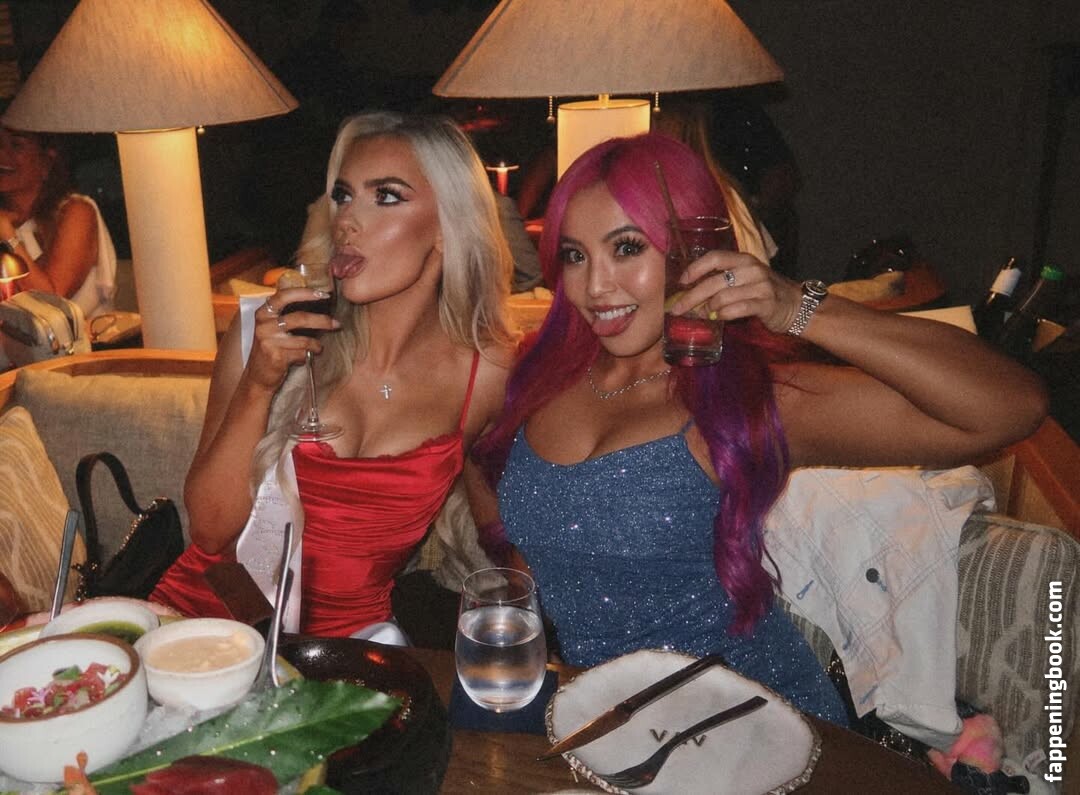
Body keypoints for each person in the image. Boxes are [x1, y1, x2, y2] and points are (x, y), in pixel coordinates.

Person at [471, 133, 1047, 723]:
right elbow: (489, 482)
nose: (596, 286)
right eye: (575, 255)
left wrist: (798, 306)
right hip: (600, 723)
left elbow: (1011, 406)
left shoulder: (747, 397)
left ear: (693, 251)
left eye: (627, 248)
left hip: (749, 723)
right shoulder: (536, 375)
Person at [152, 111, 519, 639]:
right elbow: (209, 531)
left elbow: (505, 527)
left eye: (386, 196)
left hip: (352, 651)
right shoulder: (270, 330)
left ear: (447, 226)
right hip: (202, 631)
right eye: (343, 196)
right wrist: (259, 384)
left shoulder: (487, 373)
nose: (346, 220)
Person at [0, 127, 117, 318]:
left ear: (47, 161)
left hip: (83, 337)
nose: (2, 155)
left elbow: (52, 301)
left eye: (16, 145)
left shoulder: (77, 211)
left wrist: (8, 237)